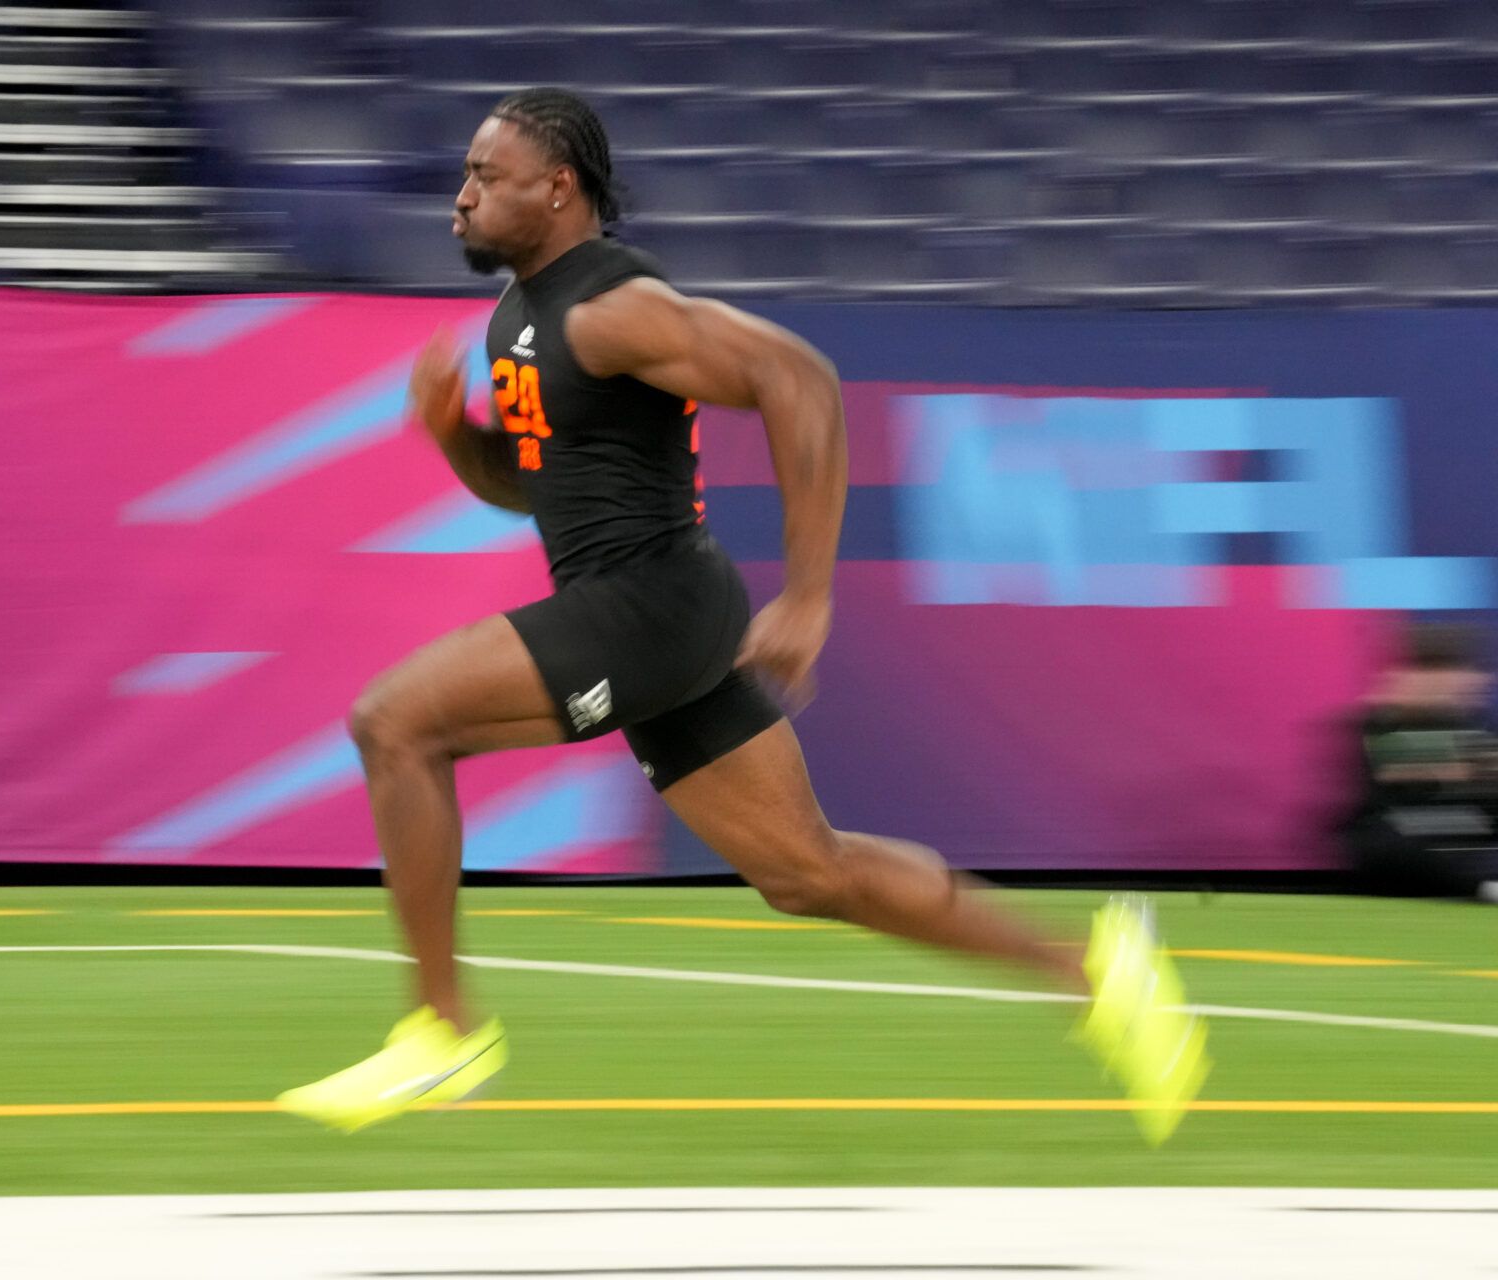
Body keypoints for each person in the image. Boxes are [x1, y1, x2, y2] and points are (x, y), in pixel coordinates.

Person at [277, 88, 1208, 1143]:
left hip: (650, 609)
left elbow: (796, 376)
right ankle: (1098, 975)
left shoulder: (609, 305)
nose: (461, 198)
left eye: (486, 178)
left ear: (557, 187)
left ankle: (442, 1029)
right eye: (465, 178)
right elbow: (534, 482)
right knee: (807, 872)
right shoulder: (520, 317)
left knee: (394, 721)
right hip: (644, 611)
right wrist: (456, 435)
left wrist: (809, 593)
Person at [1337, 621, 1498, 901]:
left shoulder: (1474, 732)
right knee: (1396, 838)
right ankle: (1482, 885)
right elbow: (1387, 792)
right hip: (1399, 844)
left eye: (1450, 671)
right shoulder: (1375, 728)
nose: (1442, 682)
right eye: (1429, 671)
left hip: (1466, 842)